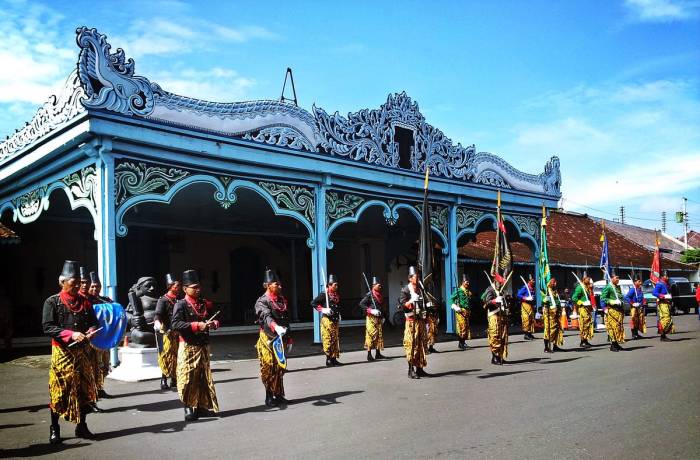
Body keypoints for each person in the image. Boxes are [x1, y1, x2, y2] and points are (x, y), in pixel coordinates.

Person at [43, 260, 99, 443]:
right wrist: (71, 334)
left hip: (82, 353)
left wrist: (91, 331)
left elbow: (93, 322)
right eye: (72, 283)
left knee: (84, 390)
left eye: (78, 283)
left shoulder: (85, 302)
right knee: (59, 390)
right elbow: (48, 327)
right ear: (62, 282)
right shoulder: (52, 302)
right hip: (62, 353)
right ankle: (55, 428)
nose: (76, 286)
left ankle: (81, 426)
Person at [172, 269, 220, 422]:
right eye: (194, 287)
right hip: (188, 346)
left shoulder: (204, 303)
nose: (198, 290)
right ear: (186, 289)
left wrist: (214, 324)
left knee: (203, 378)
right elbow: (176, 324)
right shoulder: (180, 305)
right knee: (187, 377)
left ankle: (201, 406)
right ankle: (188, 406)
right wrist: (195, 325)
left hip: (203, 346)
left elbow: (214, 318)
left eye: (199, 287)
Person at [254, 269, 292, 407]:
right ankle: (269, 396)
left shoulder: (282, 300)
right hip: (268, 338)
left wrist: (289, 337)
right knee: (268, 367)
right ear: (267, 285)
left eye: (280, 284)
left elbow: (286, 320)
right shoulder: (261, 301)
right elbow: (266, 316)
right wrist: (275, 327)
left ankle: (279, 394)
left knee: (279, 367)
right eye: (276, 284)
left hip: (281, 338)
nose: (280, 286)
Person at [398, 266, 429, 378]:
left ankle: (419, 368)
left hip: (420, 321)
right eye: (416, 276)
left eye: (419, 276)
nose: (418, 278)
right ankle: (410, 370)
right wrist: (411, 300)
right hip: (411, 321)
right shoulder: (405, 290)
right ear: (410, 278)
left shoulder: (420, 289)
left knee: (421, 344)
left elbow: (424, 305)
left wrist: (426, 319)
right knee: (411, 345)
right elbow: (402, 305)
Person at [87, 271, 112, 399]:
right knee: (93, 367)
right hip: (92, 340)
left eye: (97, 286)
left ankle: (100, 387)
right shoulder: (85, 302)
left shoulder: (106, 300)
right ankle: (93, 394)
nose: (95, 288)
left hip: (105, 338)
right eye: (92, 286)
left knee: (104, 365)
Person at [154, 273, 181, 390]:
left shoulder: (180, 300)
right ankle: (164, 379)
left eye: (179, 286)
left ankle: (174, 379)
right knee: (166, 356)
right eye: (176, 286)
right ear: (170, 286)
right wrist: (158, 324)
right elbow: (157, 315)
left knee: (177, 355)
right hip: (167, 333)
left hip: (178, 333)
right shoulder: (163, 300)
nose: (178, 288)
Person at [311, 274, 342, 366]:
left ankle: (334, 358)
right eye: (335, 285)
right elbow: (313, 303)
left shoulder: (336, 295)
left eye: (337, 285)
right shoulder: (324, 294)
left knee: (335, 340)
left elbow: (337, 306)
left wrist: (339, 314)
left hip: (335, 319)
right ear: (329, 285)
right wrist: (323, 309)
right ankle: (328, 359)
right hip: (327, 320)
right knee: (328, 339)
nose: (337, 286)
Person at [358, 276, 386, 361]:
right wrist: (371, 310)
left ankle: (378, 353)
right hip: (371, 318)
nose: (380, 287)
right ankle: (369, 354)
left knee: (379, 336)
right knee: (370, 335)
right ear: (374, 285)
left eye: (380, 285)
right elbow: (361, 304)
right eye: (378, 285)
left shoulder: (380, 295)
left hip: (379, 318)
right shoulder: (369, 295)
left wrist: (383, 316)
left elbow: (381, 306)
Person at [482, 281, 508, 364]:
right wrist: (494, 300)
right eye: (500, 283)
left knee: (503, 336)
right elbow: (486, 303)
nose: (501, 285)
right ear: (495, 281)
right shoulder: (490, 290)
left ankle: (500, 356)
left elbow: (504, 302)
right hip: (494, 315)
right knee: (495, 336)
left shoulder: (502, 290)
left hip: (502, 315)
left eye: (502, 283)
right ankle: (495, 357)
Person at [601, 272, 625, 351]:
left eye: (618, 278)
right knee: (613, 328)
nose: (618, 280)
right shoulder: (608, 287)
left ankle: (616, 344)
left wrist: (621, 302)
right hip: (612, 310)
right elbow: (603, 298)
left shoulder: (617, 287)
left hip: (619, 310)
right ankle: (613, 345)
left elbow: (620, 296)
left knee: (618, 328)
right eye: (616, 278)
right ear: (611, 279)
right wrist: (611, 301)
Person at [450, 274, 473, 349]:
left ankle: (463, 342)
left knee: (466, 328)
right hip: (460, 311)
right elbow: (451, 299)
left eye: (468, 282)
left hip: (466, 312)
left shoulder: (467, 291)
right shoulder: (459, 291)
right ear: (463, 282)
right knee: (462, 327)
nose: (467, 284)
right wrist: (456, 307)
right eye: (466, 282)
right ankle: (460, 344)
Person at [571, 276, 594, 347]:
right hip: (582, 308)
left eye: (589, 279)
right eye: (588, 279)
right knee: (584, 324)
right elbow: (574, 298)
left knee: (588, 324)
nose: (589, 280)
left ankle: (585, 340)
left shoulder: (587, 288)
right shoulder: (580, 287)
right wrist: (581, 302)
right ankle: (582, 341)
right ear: (583, 280)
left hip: (588, 308)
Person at [542, 278, 564, 353]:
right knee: (548, 329)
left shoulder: (555, 291)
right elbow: (544, 301)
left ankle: (555, 346)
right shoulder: (547, 291)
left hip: (556, 313)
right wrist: (546, 301)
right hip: (549, 313)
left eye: (555, 282)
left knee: (557, 329)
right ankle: (546, 348)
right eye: (554, 282)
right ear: (551, 283)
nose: (555, 284)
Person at [653, 272, 675, 341]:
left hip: (668, 303)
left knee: (668, 319)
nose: (668, 278)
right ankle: (662, 335)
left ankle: (663, 336)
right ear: (662, 277)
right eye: (666, 276)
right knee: (665, 319)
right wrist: (662, 296)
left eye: (668, 276)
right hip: (662, 303)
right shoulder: (659, 284)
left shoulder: (667, 284)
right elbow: (654, 293)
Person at [516, 275, 536, 341]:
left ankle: (529, 333)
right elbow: (519, 295)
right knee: (526, 319)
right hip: (525, 304)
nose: (534, 281)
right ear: (529, 281)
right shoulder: (525, 287)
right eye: (532, 280)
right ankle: (526, 334)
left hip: (531, 305)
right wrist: (526, 298)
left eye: (534, 280)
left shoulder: (532, 287)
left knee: (531, 319)